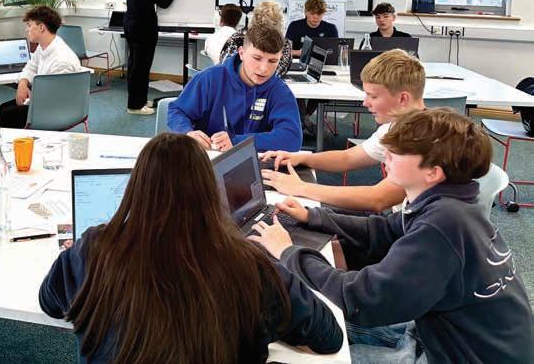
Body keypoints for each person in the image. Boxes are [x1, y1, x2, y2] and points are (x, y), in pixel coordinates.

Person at [252, 109, 534, 363]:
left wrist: (289, 253)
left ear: (432, 173)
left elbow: (361, 299)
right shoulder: (451, 203)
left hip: (458, 354)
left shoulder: (441, 226)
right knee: (314, 321)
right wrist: (312, 217)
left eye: (396, 153)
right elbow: (385, 230)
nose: (386, 156)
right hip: (441, 331)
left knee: (309, 344)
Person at [39, 133, 343, 363]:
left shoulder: (93, 250)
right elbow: (328, 337)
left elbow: (49, 302)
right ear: (211, 193)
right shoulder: (250, 267)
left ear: (135, 188)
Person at [261, 50, 425, 212]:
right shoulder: (396, 127)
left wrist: (301, 188)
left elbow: (378, 198)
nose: (365, 103)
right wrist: (300, 158)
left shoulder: (421, 140)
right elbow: (348, 158)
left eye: (373, 96)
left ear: (403, 98)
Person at [168, 24, 301, 153]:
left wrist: (237, 142)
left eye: (272, 61)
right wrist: (187, 132)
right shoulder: (210, 78)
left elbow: (292, 138)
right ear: (241, 53)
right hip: (207, 156)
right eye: (257, 58)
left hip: (251, 159)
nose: (263, 69)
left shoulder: (279, 91)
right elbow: (177, 111)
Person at [0, 5, 82, 128]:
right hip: (44, 99)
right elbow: (31, 67)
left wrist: (30, 98)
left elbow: (56, 98)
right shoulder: (44, 46)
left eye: (29, 25)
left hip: (56, 108)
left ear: (41, 27)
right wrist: (23, 83)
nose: (27, 30)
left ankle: (14, 140)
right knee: (3, 108)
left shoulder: (62, 60)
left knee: (7, 114)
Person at [123, 0, 182, 115]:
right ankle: (135, 106)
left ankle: (139, 100)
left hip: (130, 25)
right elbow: (164, 3)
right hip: (144, 29)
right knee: (141, 68)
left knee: (134, 66)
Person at [219, 0, 293, 77]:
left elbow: (225, 68)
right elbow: (279, 71)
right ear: (280, 22)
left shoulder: (237, 38)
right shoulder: (284, 44)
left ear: (254, 18)